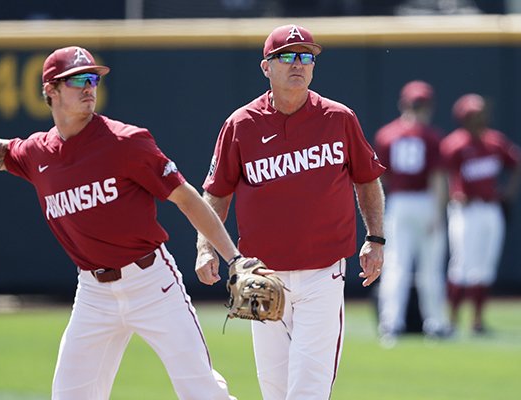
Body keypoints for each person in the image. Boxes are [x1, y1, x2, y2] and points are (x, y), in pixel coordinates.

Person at [0, 46, 242, 400]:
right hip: (94, 294)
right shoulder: (39, 152)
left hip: (151, 283)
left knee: (201, 391)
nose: (89, 87)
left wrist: (233, 257)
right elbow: (8, 152)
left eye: (93, 78)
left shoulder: (126, 142)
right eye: (77, 80)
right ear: (50, 91)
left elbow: (187, 198)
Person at [195, 25, 386, 400]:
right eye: (287, 56)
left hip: (323, 274)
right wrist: (205, 247)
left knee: (308, 391)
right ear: (266, 67)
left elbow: (367, 180)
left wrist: (375, 238)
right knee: (275, 390)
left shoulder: (339, 118)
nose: (298, 64)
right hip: (264, 276)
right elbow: (216, 194)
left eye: (306, 56)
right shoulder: (241, 124)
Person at [374, 80, 451, 343]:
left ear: (403, 103)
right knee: (430, 266)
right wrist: (439, 213)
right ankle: (436, 323)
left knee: (396, 264)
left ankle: (391, 324)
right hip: (424, 200)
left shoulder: (387, 134)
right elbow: (438, 178)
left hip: (398, 202)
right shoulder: (431, 136)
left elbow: (381, 179)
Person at [441, 93, 521, 334]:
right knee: (461, 264)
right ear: (464, 117)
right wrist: (453, 192)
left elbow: (516, 164)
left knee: (485, 266)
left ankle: (477, 321)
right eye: (475, 114)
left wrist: (508, 192)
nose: (480, 117)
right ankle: (452, 320)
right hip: (466, 210)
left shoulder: (495, 141)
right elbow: (442, 174)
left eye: (481, 113)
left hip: (490, 209)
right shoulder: (455, 144)